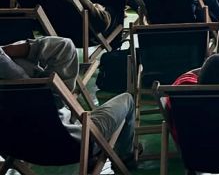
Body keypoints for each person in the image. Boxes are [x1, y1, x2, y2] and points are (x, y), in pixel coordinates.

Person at [0, 36, 136, 166]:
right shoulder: (25, 84)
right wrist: (12, 50)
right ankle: (125, 158)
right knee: (127, 100)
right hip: (73, 147)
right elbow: (64, 46)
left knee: (58, 107)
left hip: (16, 150)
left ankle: (91, 158)